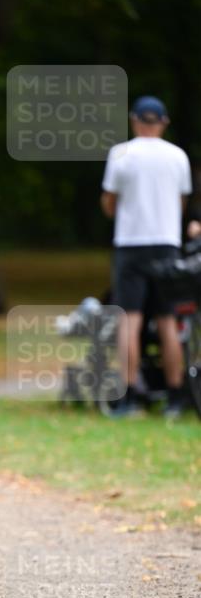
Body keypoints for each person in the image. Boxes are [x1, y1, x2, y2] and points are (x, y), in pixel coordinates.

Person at [101, 95, 192, 418]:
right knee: (168, 319)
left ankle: (128, 395)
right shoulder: (178, 156)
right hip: (166, 243)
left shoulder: (121, 154)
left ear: (134, 121)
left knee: (130, 319)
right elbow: (180, 203)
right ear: (163, 122)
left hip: (130, 243)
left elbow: (109, 201)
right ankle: (176, 395)